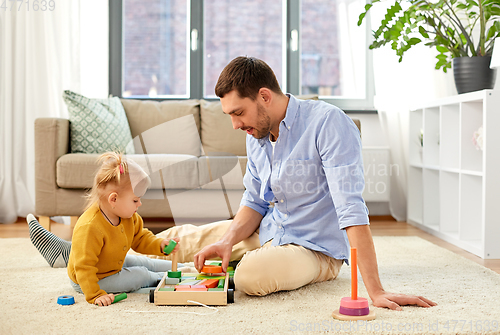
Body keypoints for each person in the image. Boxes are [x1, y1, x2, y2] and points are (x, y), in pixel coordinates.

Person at [186, 56, 436, 310]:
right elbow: (255, 201)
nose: (235, 125)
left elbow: (350, 208)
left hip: (315, 249)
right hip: (272, 232)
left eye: (238, 113)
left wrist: (377, 291)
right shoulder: (256, 134)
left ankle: (252, 263)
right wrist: (228, 240)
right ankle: (233, 254)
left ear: (264, 96)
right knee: (186, 242)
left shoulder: (328, 123)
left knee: (249, 276)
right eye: (230, 115)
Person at [29, 152, 185, 306]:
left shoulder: (129, 216)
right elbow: (84, 267)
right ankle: (168, 278)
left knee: (144, 262)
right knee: (140, 275)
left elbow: (140, 238)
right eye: (135, 200)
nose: (140, 204)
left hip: (111, 265)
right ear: (114, 199)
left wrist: (159, 244)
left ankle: (184, 269)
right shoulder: (90, 227)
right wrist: (95, 294)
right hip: (92, 280)